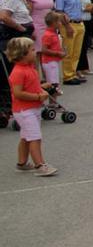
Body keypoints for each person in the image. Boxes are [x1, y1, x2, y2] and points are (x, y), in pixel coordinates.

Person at [5, 37, 57, 176]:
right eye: (32, 50)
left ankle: (22, 163)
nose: (35, 52)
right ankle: (40, 165)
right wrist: (38, 97)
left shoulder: (30, 68)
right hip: (24, 110)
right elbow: (18, 93)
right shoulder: (18, 72)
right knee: (35, 137)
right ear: (22, 54)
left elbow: (30, 86)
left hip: (32, 108)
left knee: (26, 136)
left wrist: (41, 87)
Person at [53, 0, 87, 85]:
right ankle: (67, 76)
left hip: (79, 23)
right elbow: (60, 11)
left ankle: (73, 72)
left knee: (76, 52)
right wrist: (67, 26)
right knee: (68, 51)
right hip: (69, 24)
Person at [23, 0, 54, 76]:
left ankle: (48, 77)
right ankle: (37, 77)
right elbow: (28, 12)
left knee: (48, 51)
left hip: (48, 25)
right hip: (37, 25)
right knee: (37, 52)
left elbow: (51, 9)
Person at [75, 0, 93, 79]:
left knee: (85, 45)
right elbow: (81, 6)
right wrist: (88, 8)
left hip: (89, 19)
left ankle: (84, 67)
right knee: (80, 46)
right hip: (81, 19)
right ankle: (78, 68)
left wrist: (91, 8)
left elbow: (92, 5)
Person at [40, 12, 65, 92]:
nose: (60, 23)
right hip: (49, 62)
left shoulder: (54, 33)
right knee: (53, 84)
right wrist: (57, 53)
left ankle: (53, 103)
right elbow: (44, 50)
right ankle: (52, 103)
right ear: (54, 23)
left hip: (54, 61)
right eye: (59, 22)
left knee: (55, 83)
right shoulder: (48, 35)